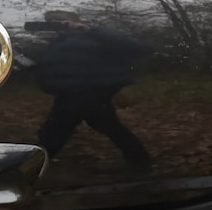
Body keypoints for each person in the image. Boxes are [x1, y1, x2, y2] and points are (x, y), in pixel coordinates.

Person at [27, 11, 152, 172]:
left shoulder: (96, 36)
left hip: (90, 93)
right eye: (51, 22)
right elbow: (47, 69)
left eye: (61, 21)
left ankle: (33, 167)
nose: (57, 24)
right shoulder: (56, 44)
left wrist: (89, 29)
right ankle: (141, 162)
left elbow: (139, 48)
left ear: (74, 20)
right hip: (69, 94)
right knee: (110, 126)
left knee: (55, 132)